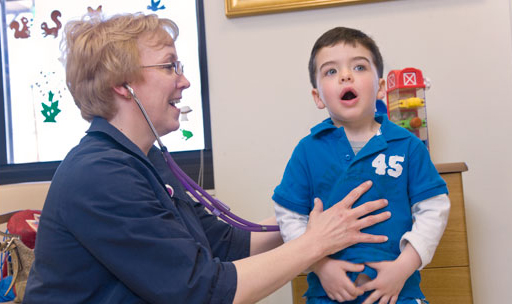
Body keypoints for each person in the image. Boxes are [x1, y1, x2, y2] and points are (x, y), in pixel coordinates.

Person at [23, 14, 392, 304]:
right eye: (169, 67)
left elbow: (230, 244)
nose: (183, 81)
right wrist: (315, 243)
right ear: (123, 84)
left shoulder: (147, 161)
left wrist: (311, 220)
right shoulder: (99, 175)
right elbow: (201, 292)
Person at [273, 27, 450, 304]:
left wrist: (404, 268)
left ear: (380, 88)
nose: (345, 75)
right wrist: (321, 266)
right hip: (327, 293)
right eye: (331, 71)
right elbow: (289, 215)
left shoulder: (408, 146)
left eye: (358, 66)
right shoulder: (307, 151)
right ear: (318, 96)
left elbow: (434, 208)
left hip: (399, 293)